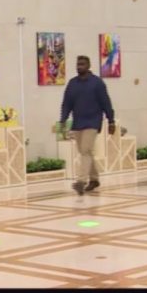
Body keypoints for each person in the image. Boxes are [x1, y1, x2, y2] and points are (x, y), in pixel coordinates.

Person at [59, 55, 116, 195]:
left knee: (85, 150)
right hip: (78, 123)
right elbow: (67, 103)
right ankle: (94, 179)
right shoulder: (72, 83)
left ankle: (81, 181)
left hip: (93, 122)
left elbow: (106, 102)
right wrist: (63, 120)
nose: (79, 67)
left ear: (88, 66)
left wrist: (111, 120)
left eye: (82, 64)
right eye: (78, 64)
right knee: (86, 152)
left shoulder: (97, 83)